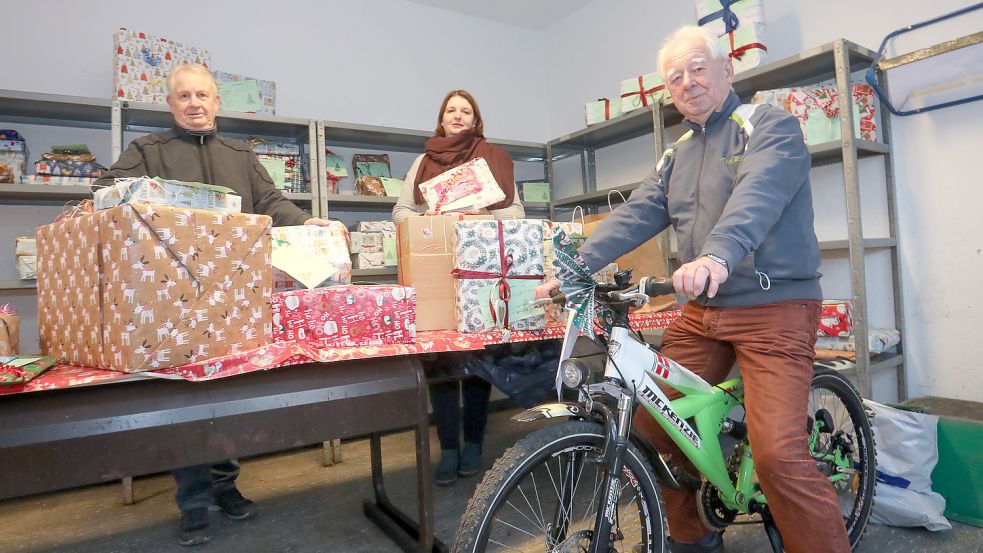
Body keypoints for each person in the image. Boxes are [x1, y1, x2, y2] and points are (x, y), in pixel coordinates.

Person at [536, 25, 850, 553]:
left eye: (698, 68)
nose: (687, 82)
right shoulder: (676, 154)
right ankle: (690, 535)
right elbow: (638, 212)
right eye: (675, 77)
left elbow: (759, 193)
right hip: (703, 311)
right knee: (655, 427)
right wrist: (576, 267)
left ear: (727, 69)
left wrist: (716, 254)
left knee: (777, 454)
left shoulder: (769, 126)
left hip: (775, 306)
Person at [95, 63, 333, 547]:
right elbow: (108, 195)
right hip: (172, 298)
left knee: (224, 399)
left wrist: (309, 223)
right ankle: (195, 500)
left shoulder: (239, 154)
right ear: (171, 104)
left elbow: (272, 201)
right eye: (184, 96)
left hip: (234, 294)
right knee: (184, 400)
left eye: (202, 94)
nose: (194, 103)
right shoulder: (147, 151)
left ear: (217, 102)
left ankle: (226, 485)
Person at [392, 90, 524, 486]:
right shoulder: (423, 161)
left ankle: (474, 444)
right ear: (442, 118)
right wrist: (430, 216)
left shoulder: (492, 159)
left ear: (475, 119)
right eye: (451, 110)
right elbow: (400, 212)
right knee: (443, 367)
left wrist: (485, 212)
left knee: (477, 367)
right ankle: (449, 447)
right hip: (434, 276)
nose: (458, 115)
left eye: (466, 111)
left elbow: (517, 212)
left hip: (480, 272)